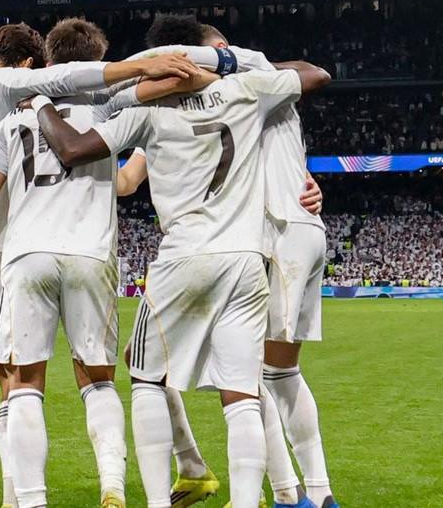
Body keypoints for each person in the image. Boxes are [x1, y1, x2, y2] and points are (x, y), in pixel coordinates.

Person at [0, 22, 201, 508]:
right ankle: (21, 496)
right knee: (17, 380)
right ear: (31, 65)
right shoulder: (11, 86)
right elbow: (76, 77)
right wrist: (146, 65)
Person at [29, 53, 330, 507]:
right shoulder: (244, 93)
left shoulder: (147, 114)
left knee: (145, 377)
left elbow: (72, 149)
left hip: (183, 258)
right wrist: (222, 65)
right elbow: (314, 75)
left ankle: (165, 496)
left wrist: (37, 102)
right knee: (243, 394)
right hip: (244, 261)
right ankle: (256, 495)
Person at [119, 16, 332, 508]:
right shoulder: (192, 105)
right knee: (262, 374)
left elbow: (314, 73)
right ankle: (288, 490)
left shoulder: (247, 77)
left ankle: (298, 494)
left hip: (268, 231)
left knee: (258, 377)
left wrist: (215, 62)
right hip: (277, 232)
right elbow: (130, 178)